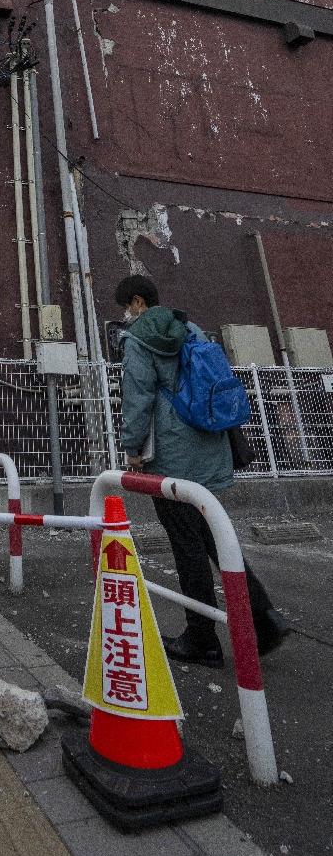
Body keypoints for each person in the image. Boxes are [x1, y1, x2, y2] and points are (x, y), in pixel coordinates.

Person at [115, 275, 288, 668]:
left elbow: (138, 396)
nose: (125, 315)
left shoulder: (139, 338)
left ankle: (202, 637)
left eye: (126, 306)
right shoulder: (189, 327)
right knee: (215, 540)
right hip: (210, 446)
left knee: (186, 544)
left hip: (174, 456)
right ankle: (263, 618)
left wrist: (132, 448)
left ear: (138, 302)